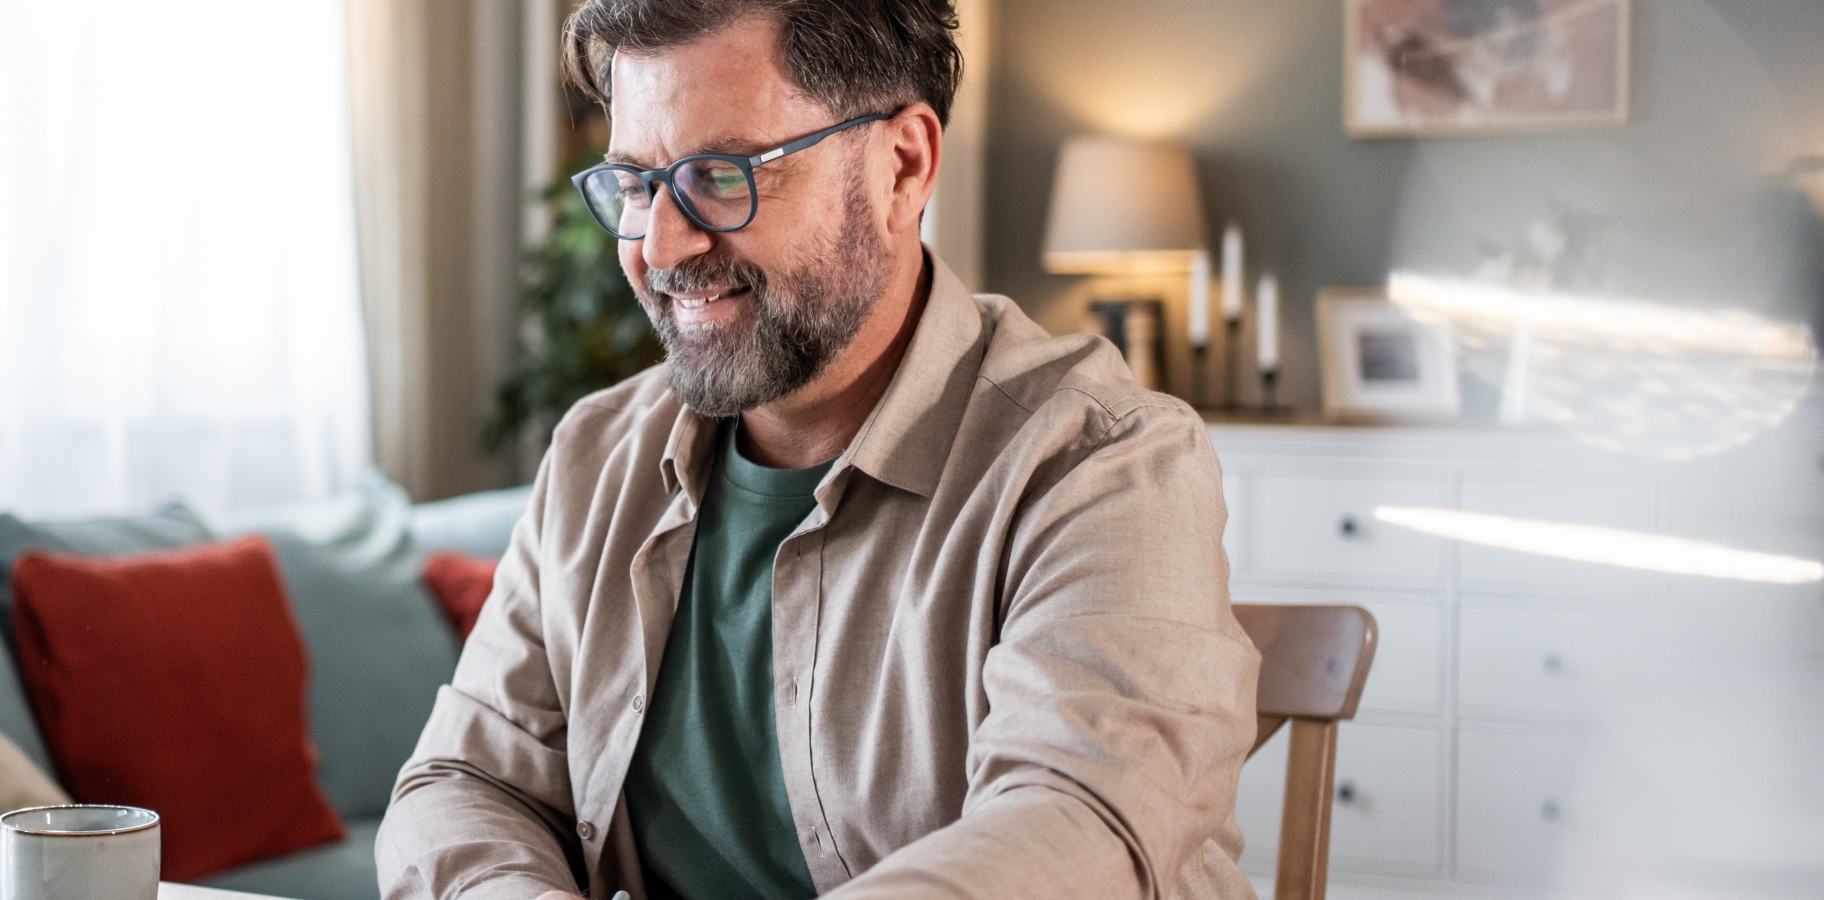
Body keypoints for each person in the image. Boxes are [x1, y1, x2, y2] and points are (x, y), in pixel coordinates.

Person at [376, 1, 1260, 897]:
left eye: (722, 175)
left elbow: (1076, 827)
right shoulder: (597, 454)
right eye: (637, 185)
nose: (662, 244)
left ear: (901, 167)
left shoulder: (1098, 462)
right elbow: (466, 781)